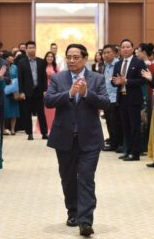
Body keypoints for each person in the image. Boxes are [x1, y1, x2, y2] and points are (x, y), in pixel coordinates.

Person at [45, 43, 109, 237]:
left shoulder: (96, 78)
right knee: (68, 179)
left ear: (84, 58)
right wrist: (70, 94)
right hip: (64, 137)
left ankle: (85, 221)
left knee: (86, 179)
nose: (71, 60)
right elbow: (48, 101)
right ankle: (72, 211)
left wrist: (86, 94)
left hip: (89, 138)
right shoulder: (58, 78)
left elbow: (106, 102)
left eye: (76, 57)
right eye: (69, 57)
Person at [112, 39, 147, 161]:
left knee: (134, 126)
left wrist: (126, 81)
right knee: (125, 126)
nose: (125, 49)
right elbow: (114, 81)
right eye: (123, 47)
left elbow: (142, 81)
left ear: (133, 49)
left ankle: (135, 153)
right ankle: (127, 150)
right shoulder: (118, 64)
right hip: (122, 98)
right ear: (120, 50)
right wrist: (115, 82)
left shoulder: (139, 62)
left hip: (133, 99)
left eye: (128, 47)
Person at [18, 40, 48, 140]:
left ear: (35, 48)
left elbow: (44, 77)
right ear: (26, 49)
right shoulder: (22, 62)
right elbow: (20, 78)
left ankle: (44, 133)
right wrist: (21, 91)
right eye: (29, 48)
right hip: (27, 91)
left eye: (33, 47)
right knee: (27, 113)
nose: (31, 49)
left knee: (41, 113)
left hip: (39, 91)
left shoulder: (41, 62)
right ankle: (29, 133)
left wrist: (45, 89)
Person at [100, 44, 123, 152]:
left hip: (115, 98)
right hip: (106, 97)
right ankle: (113, 143)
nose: (106, 55)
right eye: (104, 53)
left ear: (115, 53)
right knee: (109, 122)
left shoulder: (118, 65)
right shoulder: (105, 65)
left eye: (108, 52)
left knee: (116, 123)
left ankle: (119, 143)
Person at [2, 50, 20, 135]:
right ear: (6, 58)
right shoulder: (3, 67)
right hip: (4, 89)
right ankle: (3, 129)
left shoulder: (15, 67)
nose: (12, 58)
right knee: (4, 110)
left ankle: (13, 129)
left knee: (14, 110)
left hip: (14, 89)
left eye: (13, 56)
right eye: (10, 56)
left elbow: (18, 78)